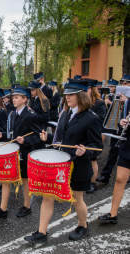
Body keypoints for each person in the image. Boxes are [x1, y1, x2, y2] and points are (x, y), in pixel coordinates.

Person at [24, 78, 102, 244]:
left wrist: (85, 150)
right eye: (66, 94)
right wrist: (48, 137)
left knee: (76, 199)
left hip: (78, 166)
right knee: (47, 197)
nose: (67, 97)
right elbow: (61, 140)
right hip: (59, 165)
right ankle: (41, 232)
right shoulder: (65, 113)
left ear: (81, 95)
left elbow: (97, 145)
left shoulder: (91, 118)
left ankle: (83, 225)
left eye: (71, 94)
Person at [0, 85, 45, 218]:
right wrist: (1, 135)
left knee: (25, 180)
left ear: (25, 99)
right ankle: (3, 209)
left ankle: (27, 205)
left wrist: (25, 141)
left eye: (16, 98)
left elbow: (38, 136)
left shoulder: (31, 115)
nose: (13, 100)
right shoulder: (12, 114)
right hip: (14, 153)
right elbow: (11, 134)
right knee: (6, 179)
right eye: (13, 98)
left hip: (25, 153)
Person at [98, 78, 130, 224]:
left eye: (126, 84)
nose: (123, 86)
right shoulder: (127, 101)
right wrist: (122, 122)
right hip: (128, 143)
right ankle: (113, 213)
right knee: (120, 178)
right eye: (122, 84)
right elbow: (117, 119)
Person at [85, 79, 106, 194]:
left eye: (87, 88)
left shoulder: (99, 103)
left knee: (93, 159)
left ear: (92, 89)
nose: (85, 91)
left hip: (94, 133)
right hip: (83, 133)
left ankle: (92, 183)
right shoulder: (82, 102)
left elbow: (101, 119)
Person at [96, 79, 119, 184]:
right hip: (115, 125)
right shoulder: (108, 96)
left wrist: (114, 102)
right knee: (113, 150)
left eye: (126, 83)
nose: (110, 88)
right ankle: (106, 175)